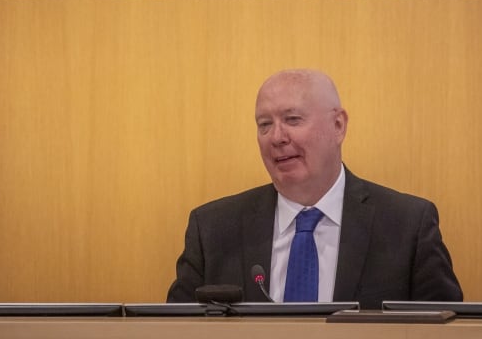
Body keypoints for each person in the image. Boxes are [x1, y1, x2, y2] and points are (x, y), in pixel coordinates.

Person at [167, 69, 462, 309]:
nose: (277, 137)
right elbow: (173, 330)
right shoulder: (213, 229)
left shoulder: (408, 225)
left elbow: (448, 331)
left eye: (292, 120)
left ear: (338, 126)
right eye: (264, 124)